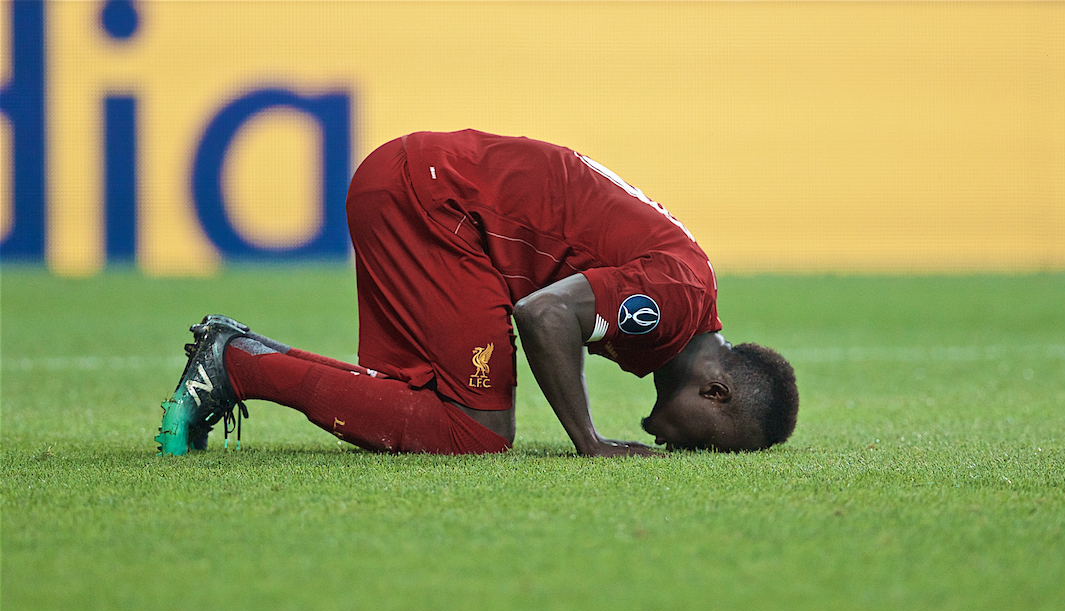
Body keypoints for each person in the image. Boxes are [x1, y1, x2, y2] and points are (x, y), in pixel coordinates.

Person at [156, 130, 798, 457]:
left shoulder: (685, 292)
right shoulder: (677, 302)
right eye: (709, 442)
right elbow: (545, 316)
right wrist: (590, 442)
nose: (685, 451)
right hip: (432, 204)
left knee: (427, 409)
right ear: (716, 390)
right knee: (477, 432)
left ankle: (234, 358)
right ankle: (236, 364)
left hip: (422, 192)